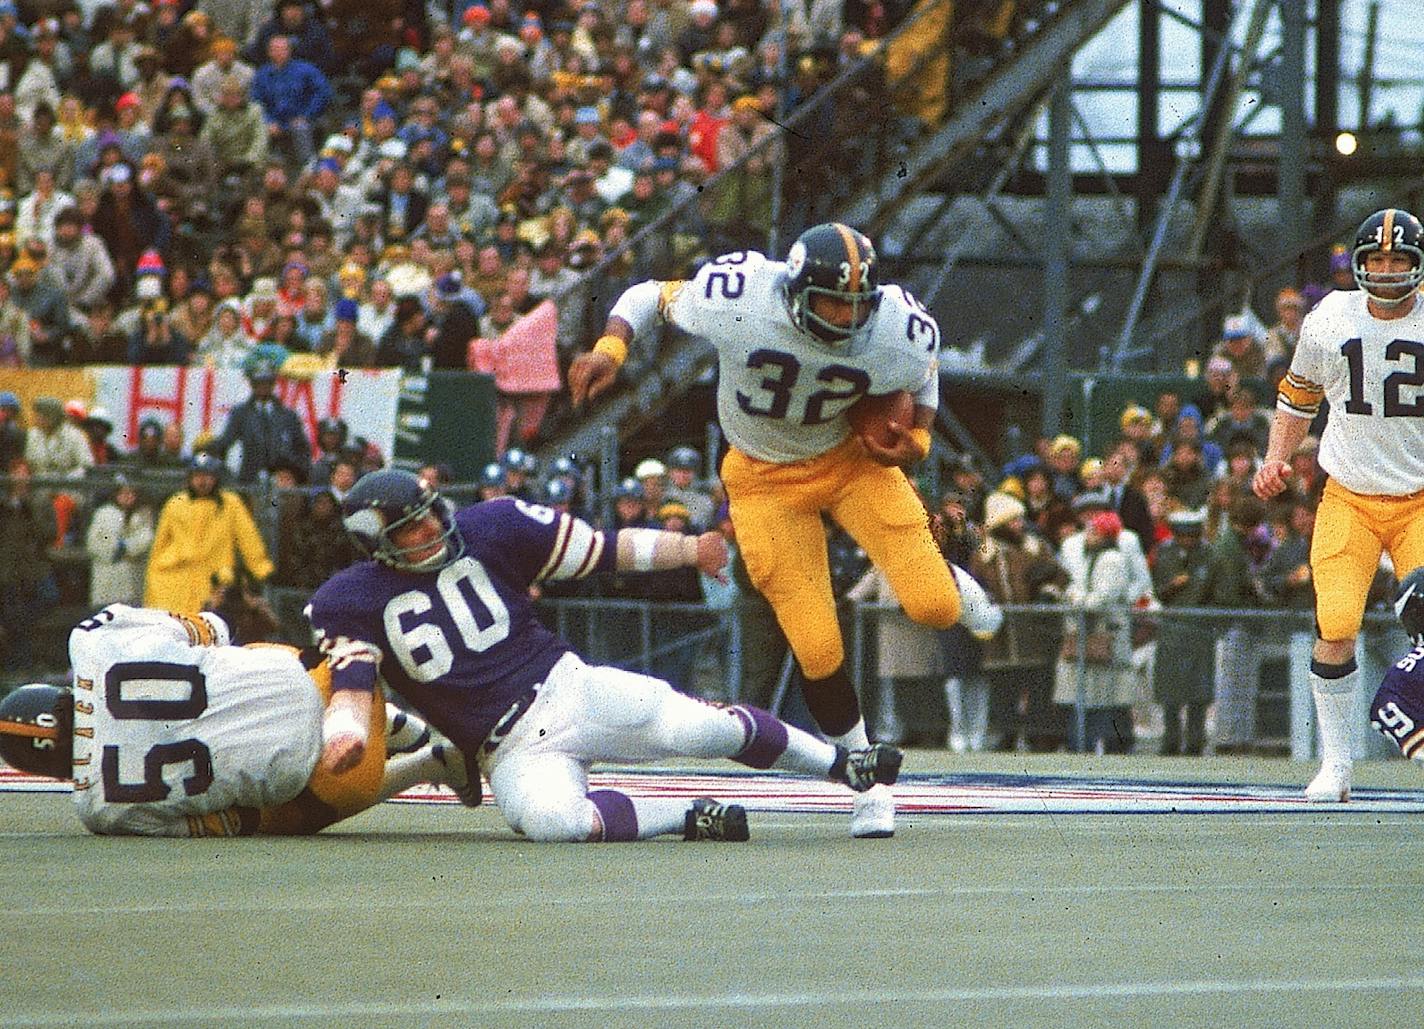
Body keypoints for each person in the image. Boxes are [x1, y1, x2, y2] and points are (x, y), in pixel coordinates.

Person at [568, 221, 1001, 838]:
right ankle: (868, 784)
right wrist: (610, 349)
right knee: (817, 645)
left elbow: (922, 368)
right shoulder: (741, 294)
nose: (845, 317)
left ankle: (951, 581)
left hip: (851, 462)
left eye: (856, 304)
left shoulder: (895, 325)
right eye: (830, 302)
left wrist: (918, 436)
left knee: (932, 605)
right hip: (765, 478)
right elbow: (648, 295)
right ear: (795, 291)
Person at [306, 469, 901, 843]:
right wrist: (346, 734)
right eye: (414, 525)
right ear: (377, 544)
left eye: (433, 509)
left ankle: (844, 767)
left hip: (568, 687)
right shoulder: (347, 601)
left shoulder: (493, 525)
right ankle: (686, 816)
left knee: (701, 730)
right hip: (506, 747)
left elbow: (603, 549)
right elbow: (354, 686)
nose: (436, 524)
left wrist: (690, 548)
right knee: (554, 824)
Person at [0, 604, 474, 836]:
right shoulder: (91, 642)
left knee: (268, 813)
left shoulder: (100, 810)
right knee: (229, 657)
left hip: (342, 775)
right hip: (330, 678)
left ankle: (430, 764)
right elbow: (214, 627)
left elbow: (224, 823)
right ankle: (391, 723)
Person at [1254, 208, 1424, 802]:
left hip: (1421, 499)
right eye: (1375, 258)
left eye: (1397, 258)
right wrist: (1275, 457)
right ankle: (1337, 764)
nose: (1385, 269)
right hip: (1348, 495)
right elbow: (1298, 395)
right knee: (1337, 624)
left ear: (1415, 264)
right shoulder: (1331, 316)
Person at [145, 452, 274, 615]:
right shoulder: (175, 503)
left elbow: (248, 538)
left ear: (216, 478)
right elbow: (160, 545)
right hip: (175, 581)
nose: (202, 481)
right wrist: (152, 580)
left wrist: (261, 568)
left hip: (213, 583)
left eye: (208, 476)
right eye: (197, 476)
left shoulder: (230, 503)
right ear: (189, 478)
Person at [207, 358, 312, 483]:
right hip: (250, 479)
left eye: (267, 383)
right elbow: (225, 442)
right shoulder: (241, 413)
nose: (263, 387)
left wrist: (293, 472)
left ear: (273, 384)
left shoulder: (288, 415)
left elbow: (303, 449)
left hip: (281, 481)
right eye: (258, 383)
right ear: (252, 384)